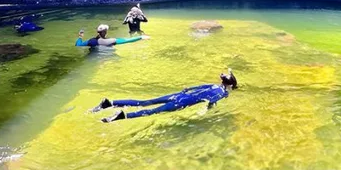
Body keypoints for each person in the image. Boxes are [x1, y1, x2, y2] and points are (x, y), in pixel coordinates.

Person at [94, 70, 238, 123]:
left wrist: (186, 91)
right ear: (230, 86)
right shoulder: (222, 93)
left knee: (145, 102)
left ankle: (109, 103)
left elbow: (194, 87)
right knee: (151, 112)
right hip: (182, 103)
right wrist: (206, 112)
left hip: (178, 95)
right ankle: (123, 116)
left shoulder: (212, 85)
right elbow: (211, 102)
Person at [75, 24, 149, 47]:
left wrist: (80, 37)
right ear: (105, 32)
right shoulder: (110, 41)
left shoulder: (91, 41)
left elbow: (78, 45)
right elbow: (127, 40)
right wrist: (141, 37)